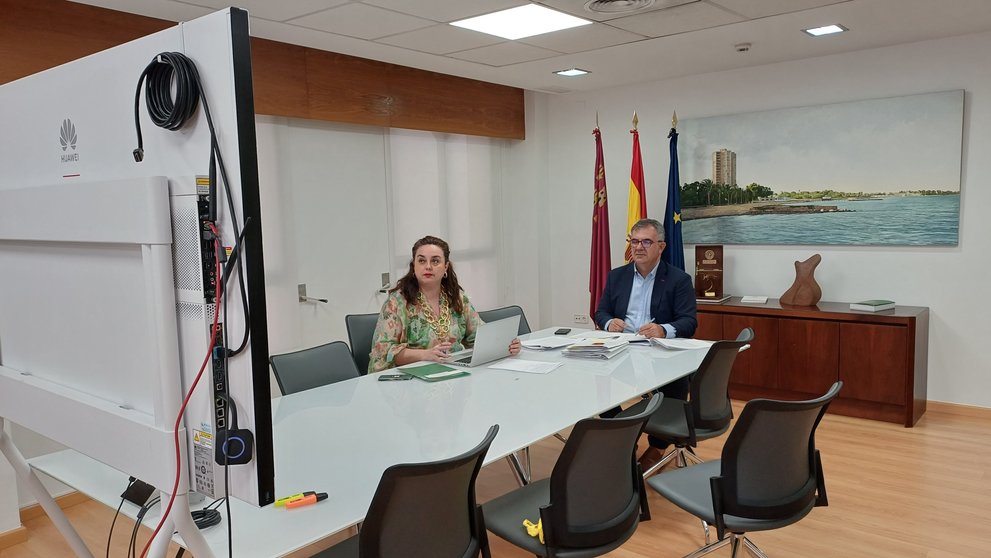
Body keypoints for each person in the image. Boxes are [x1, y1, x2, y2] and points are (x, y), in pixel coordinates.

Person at [594, 218, 698, 470]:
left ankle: (658, 445)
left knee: (675, 381)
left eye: (646, 242)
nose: (638, 247)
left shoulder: (678, 279)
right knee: (597, 382)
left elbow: (688, 322)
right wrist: (609, 323)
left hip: (657, 352)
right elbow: (601, 312)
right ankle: (622, 436)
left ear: (660, 247)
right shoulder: (617, 276)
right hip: (621, 348)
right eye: (634, 241)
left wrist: (663, 329)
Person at [369, 235, 521, 372]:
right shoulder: (397, 302)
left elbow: (479, 336)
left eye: (435, 261)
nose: (428, 266)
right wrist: (425, 355)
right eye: (421, 260)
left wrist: (506, 345)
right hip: (411, 379)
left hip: (455, 373)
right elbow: (383, 352)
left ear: (446, 267)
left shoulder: (457, 298)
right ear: (414, 266)